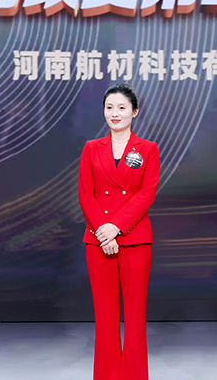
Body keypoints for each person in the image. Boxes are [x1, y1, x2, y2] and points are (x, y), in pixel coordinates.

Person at [78, 83, 160, 380]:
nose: (115, 113)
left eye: (122, 107)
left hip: (134, 240)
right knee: (105, 317)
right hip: (98, 242)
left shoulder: (148, 149)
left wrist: (116, 228)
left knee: (135, 318)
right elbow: (86, 194)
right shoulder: (91, 148)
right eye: (109, 107)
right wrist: (104, 233)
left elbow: (146, 193)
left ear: (134, 112)